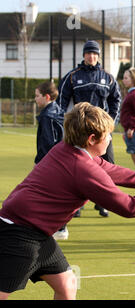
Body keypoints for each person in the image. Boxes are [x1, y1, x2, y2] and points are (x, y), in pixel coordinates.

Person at [0, 102, 135, 300]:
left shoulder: (66, 148)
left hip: (32, 231)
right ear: (92, 139)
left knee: (67, 285)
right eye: (108, 135)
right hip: (20, 235)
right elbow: (130, 207)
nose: (111, 138)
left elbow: (109, 169)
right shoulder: (83, 168)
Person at [58, 40, 121, 218]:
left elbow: (116, 101)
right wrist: (64, 121)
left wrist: (111, 124)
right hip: (80, 131)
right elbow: (62, 100)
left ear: (98, 56)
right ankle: (76, 204)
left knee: (108, 166)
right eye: (88, 53)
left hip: (102, 131)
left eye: (94, 54)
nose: (91, 56)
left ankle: (103, 203)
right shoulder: (72, 76)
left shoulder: (107, 77)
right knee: (77, 167)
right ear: (84, 55)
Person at [34, 81, 68, 240]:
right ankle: (57, 226)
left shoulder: (47, 116)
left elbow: (47, 143)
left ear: (46, 96)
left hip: (50, 163)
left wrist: (40, 162)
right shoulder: (59, 112)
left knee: (48, 195)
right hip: (60, 161)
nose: (35, 99)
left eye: (37, 96)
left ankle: (59, 228)